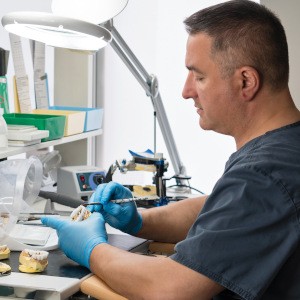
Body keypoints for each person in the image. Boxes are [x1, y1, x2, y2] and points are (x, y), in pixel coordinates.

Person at [42, 0, 300, 299]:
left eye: (199, 76)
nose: (186, 91)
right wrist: (139, 220)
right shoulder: (284, 149)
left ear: (246, 81)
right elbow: (223, 211)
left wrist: (92, 249)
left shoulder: (263, 174)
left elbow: (169, 289)